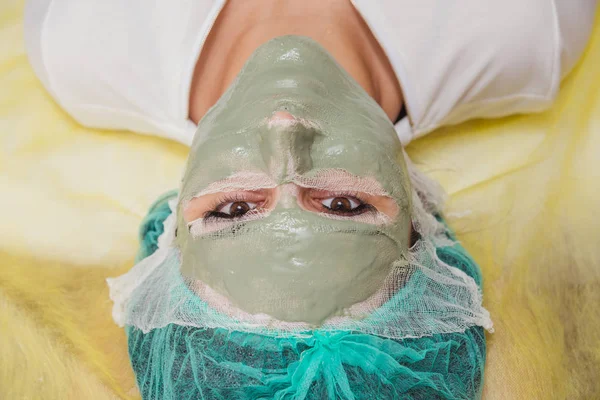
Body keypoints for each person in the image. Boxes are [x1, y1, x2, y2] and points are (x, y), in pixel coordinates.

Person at [23, 1, 597, 399]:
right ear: (425, 223)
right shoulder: (531, 27)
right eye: (345, 205)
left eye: (234, 210)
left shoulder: (77, 44)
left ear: (169, 231)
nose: (284, 126)